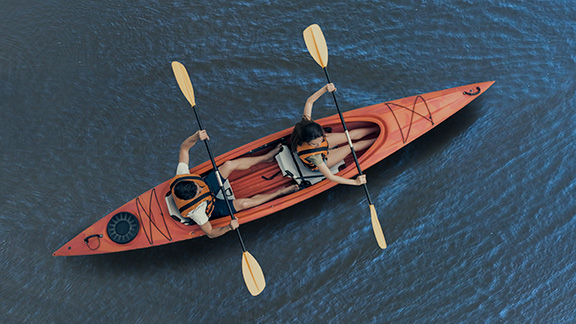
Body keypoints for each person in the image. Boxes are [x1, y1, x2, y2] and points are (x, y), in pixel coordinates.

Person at [171, 130, 298, 238]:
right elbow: (210, 233)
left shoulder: (181, 176)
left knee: (228, 165)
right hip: (212, 207)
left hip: (208, 188)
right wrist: (228, 227)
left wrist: (196, 136)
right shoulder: (197, 213)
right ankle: (280, 192)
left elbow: (184, 147)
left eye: (197, 185)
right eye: (198, 190)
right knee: (244, 203)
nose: (200, 186)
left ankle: (266, 157)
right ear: (193, 196)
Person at [290, 83, 377, 186]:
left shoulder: (307, 124)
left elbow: (309, 102)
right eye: (314, 144)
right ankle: (377, 139)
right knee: (351, 147)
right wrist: (355, 182)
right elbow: (331, 177)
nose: (318, 144)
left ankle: (376, 128)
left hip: (322, 148)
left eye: (320, 140)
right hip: (321, 159)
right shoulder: (314, 157)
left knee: (349, 136)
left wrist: (325, 88)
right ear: (306, 140)